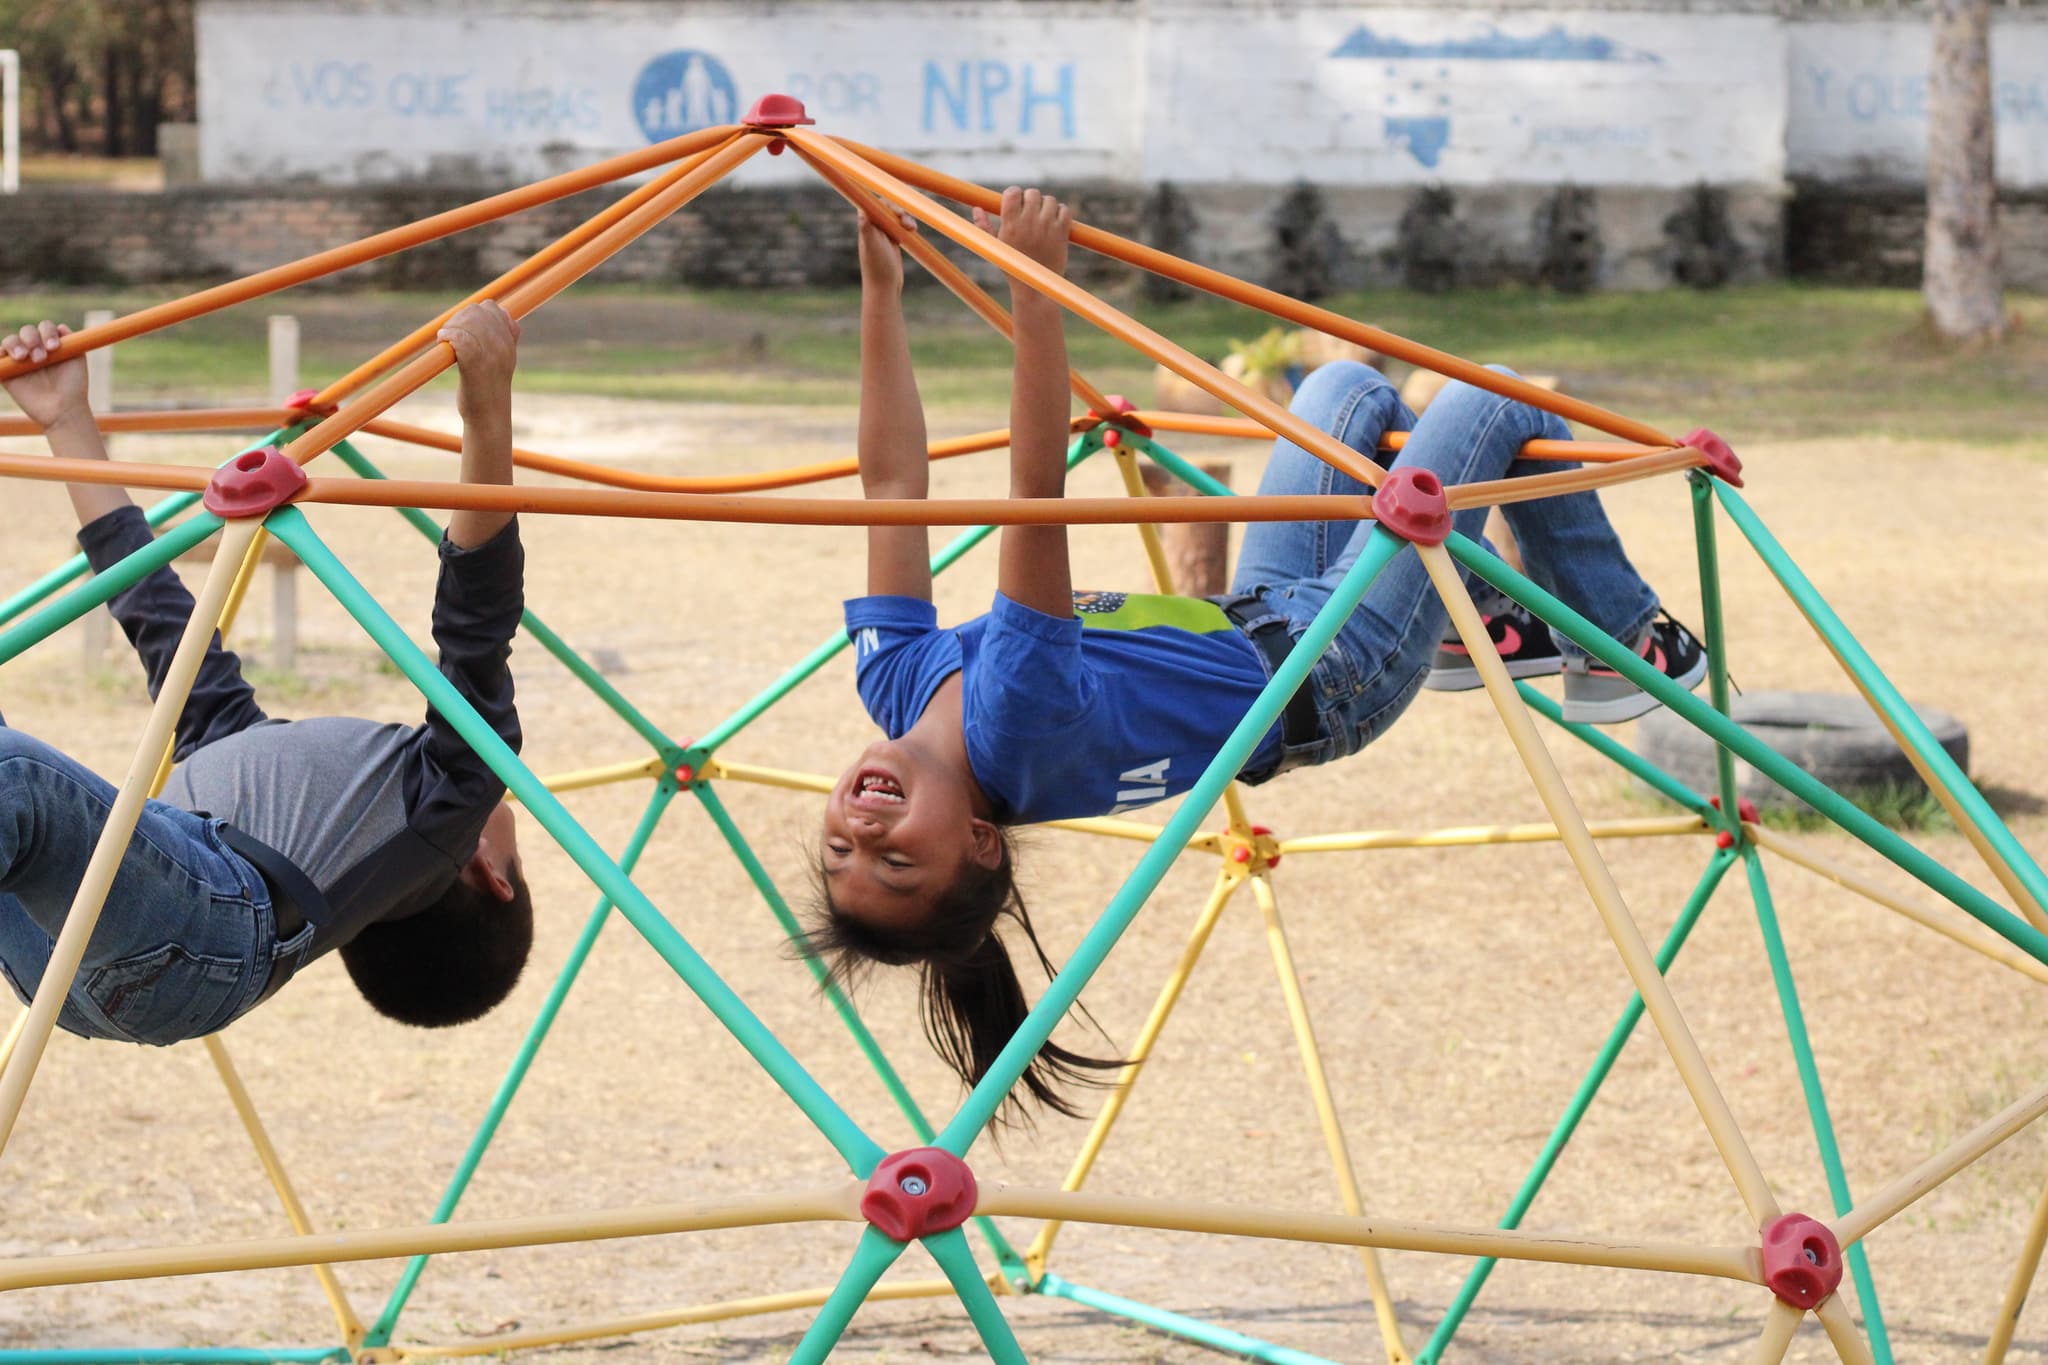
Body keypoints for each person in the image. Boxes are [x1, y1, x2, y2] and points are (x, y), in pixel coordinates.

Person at [802, 189, 1707, 1121]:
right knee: (1494, 396)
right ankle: (1627, 636)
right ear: (981, 841)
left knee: (1341, 394)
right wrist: (1036, 293)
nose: (862, 834)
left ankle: (1486, 621)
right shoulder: (1017, 728)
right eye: (896, 864)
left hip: (1262, 610)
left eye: (839, 850)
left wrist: (881, 289)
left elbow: (894, 483)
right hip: (1336, 664)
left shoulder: (896, 677)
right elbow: (1035, 491)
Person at [0, 303, 534, 1045]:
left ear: (488, 871)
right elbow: (155, 610)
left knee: (14, 777)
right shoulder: (255, 768)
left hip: (198, 932)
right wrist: (67, 423)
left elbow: (477, 618)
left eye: (515, 842)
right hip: (83, 953)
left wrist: (486, 407)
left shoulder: (452, 801)